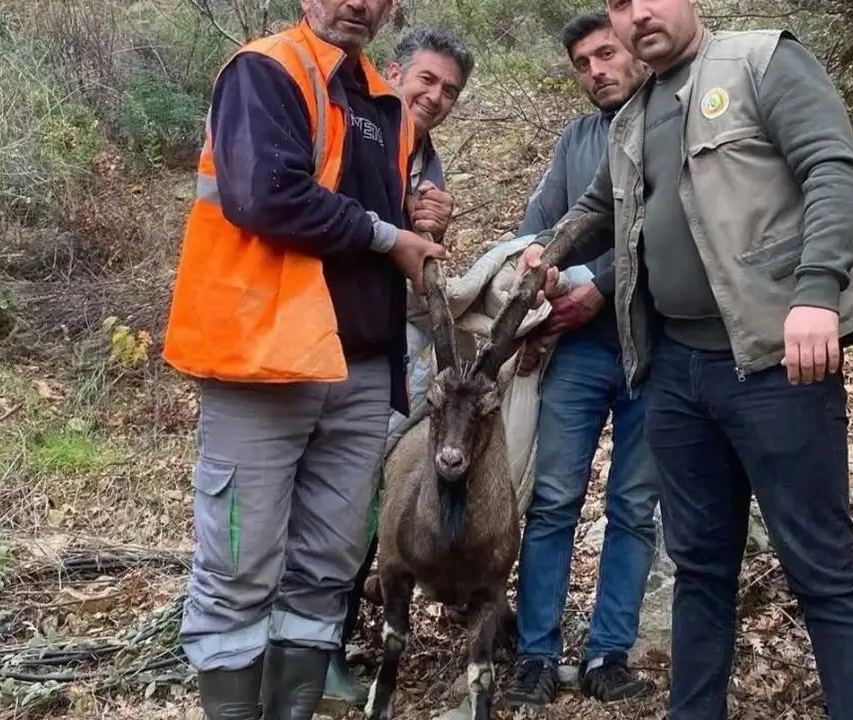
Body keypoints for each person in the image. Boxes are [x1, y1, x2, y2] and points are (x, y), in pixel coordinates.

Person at [514, 0, 853, 717]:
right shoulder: (632, 117)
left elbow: (835, 168)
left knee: (823, 572)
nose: (638, 15)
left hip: (780, 364)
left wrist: (816, 293)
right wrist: (548, 249)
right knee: (699, 572)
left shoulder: (760, 62)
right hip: (677, 373)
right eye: (620, 6)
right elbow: (596, 208)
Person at [161, 0, 450, 716]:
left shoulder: (385, 104)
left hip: (358, 372)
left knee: (322, 575)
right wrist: (391, 237)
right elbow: (265, 194)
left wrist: (420, 221)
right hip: (263, 366)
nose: (356, 2)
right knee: (238, 573)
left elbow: (390, 219)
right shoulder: (265, 70)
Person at [501, 10, 656, 709]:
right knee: (554, 501)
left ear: (635, 51)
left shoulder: (672, 121)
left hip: (657, 352)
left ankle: (607, 654)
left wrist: (601, 283)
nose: (597, 71)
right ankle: (535, 654)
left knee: (632, 508)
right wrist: (537, 272)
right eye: (583, 64)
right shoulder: (577, 140)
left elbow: (677, 236)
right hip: (579, 354)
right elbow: (544, 226)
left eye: (606, 54)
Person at [324, 25, 473, 706]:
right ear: (394, 72)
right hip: (322, 330)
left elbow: (417, 261)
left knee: (365, 489)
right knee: (323, 494)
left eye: (449, 89)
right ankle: (297, 643)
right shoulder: (355, 128)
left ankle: (330, 635)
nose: (436, 96)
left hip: (385, 341)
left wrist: (434, 232)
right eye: (426, 81)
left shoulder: (427, 157)